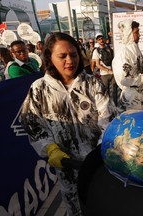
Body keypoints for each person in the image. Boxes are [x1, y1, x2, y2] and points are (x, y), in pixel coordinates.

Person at [20, 32, 118, 215]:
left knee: (102, 206)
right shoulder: (39, 89)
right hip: (67, 169)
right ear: (49, 57)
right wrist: (50, 148)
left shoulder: (92, 84)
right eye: (62, 56)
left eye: (73, 55)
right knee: (76, 209)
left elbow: (109, 119)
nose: (69, 61)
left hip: (99, 167)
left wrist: (98, 154)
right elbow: (32, 123)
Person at [112, 20, 143, 112]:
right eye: (136, 32)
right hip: (132, 100)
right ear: (129, 34)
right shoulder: (123, 53)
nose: (139, 35)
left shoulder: (136, 50)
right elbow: (125, 79)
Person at [92, 32, 117, 105]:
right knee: (105, 91)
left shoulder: (110, 48)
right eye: (99, 39)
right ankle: (107, 106)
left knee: (114, 90)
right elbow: (98, 65)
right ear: (97, 41)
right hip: (104, 74)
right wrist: (108, 70)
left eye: (102, 38)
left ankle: (115, 105)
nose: (101, 40)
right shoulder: (96, 51)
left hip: (113, 73)